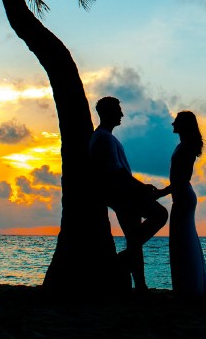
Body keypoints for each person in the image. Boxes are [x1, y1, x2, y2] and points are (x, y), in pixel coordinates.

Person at [89, 96, 168, 293]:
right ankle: (122, 262)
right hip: (123, 196)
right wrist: (141, 187)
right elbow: (117, 171)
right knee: (159, 215)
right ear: (108, 113)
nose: (122, 114)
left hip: (123, 195)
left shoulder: (105, 137)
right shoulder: (104, 138)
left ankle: (140, 285)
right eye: (118, 110)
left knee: (134, 238)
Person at [155, 111, 206, 299]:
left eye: (176, 121)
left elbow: (183, 177)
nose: (172, 124)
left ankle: (189, 289)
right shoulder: (184, 146)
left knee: (182, 241)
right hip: (182, 196)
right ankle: (189, 287)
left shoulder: (186, 147)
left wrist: (162, 192)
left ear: (184, 125)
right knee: (183, 241)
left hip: (183, 197)